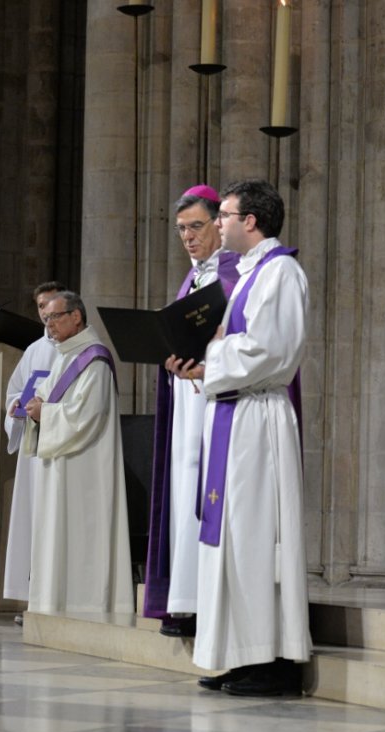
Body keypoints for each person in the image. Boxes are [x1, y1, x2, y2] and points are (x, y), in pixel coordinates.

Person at [167, 179, 310, 696]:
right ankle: (241, 654)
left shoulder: (282, 273)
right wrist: (199, 363)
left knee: (255, 537)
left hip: (258, 419)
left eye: (223, 215)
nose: (217, 224)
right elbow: (227, 344)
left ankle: (276, 660)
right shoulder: (250, 274)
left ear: (251, 221)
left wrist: (214, 358)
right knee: (229, 538)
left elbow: (273, 350)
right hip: (232, 413)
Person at [143, 185, 241, 638]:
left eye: (196, 226)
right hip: (187, 398)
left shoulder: (233, 274)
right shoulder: (193, 278)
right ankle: (184, 600)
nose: (188, 236)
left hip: (217, 399)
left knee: (206, 495)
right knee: (184, 494)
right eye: (181, 229)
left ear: (220, 225)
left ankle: (206, 601)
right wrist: (169, 358)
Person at [23, 292, 133, 613]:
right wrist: (32, 407)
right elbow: (47, 396)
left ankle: (81, 605)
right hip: (62, 461)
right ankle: (51, 605)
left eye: (56, 317)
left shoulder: (93, 359)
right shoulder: (67, 355)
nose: (50, 324)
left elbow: (90, 414)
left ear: (76, 317)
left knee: (81, 535)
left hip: (85, 466)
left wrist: (47, 415)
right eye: (46, 319)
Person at [1, 281, 66, 603]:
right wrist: (14, 406)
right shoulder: (34, 351)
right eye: (41, 307)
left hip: (62, 446)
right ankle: (31, 597)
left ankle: (54, 596)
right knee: (32, 519)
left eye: (51, 305)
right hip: (33, 447)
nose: (46, 313)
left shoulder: (77, 349)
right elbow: (14, 391)